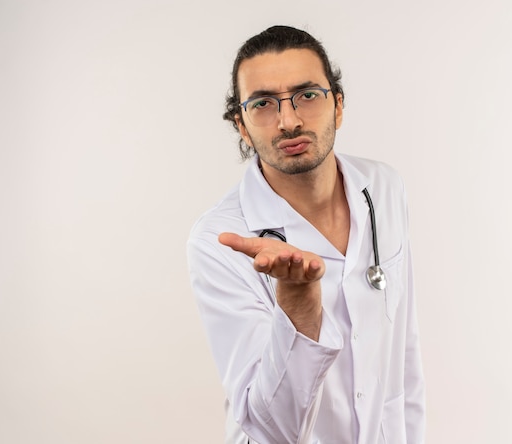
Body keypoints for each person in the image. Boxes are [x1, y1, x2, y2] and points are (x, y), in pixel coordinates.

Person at [187, 25, 425, 444]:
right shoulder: (219, 241)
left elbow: (403, 361)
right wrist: (297, 314)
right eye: (263, 104)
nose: (289, 121)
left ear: (338, 105)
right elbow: (271, 430)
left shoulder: (383, 189)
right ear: (241, 125)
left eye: (308, 95)